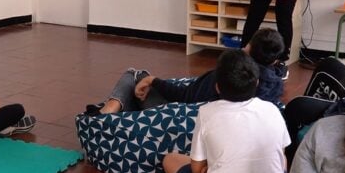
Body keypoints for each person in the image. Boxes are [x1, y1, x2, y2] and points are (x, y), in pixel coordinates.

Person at [162, 49, 290, 173]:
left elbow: (197, 170)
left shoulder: (206, 112)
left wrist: (211, 171)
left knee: (170, 160)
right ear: (257, 82)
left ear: (217, 86)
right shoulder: (272, 110)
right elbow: (281, 159)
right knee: (280, 160)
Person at [86, 28, 285, 115]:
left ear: (248, 49)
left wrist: (153, 80)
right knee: (139, 86)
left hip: (177, 113)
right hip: (193, 109)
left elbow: (186, 96)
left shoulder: (230, 73)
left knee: (135, 76)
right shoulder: (274, 86)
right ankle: (115, 108)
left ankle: (109, 110)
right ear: (275, 59)